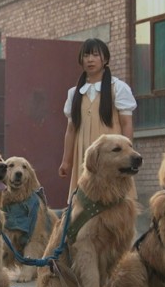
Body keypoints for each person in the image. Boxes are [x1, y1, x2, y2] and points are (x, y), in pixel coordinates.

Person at [58, 38, 137, 203]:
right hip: (85, 157)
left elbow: (126, 123)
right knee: (84, 201)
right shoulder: (74, 93)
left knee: (115, 202)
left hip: (112, 156)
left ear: (105, 59)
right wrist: (66, 161)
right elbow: (71, 130)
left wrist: (127, 155)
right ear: (81, 60)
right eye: (86, 55)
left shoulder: (118, 88)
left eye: (95, 55)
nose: (90, 59)